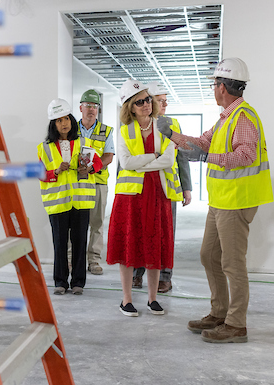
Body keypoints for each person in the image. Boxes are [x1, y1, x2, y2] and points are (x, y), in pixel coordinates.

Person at [158, 58, 273, 343]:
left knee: (233, 263)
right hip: (221, 201)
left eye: (214, 84)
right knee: (209, 256)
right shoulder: (226, 117)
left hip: (236, 201)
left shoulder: (243, 117)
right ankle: (219, 312)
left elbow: (246, 155)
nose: (213, 89)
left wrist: (208, 157)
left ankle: (236, 324)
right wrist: (171, 135)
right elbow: (202, 142)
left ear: (222, 87)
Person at [107, 79, 180, 317]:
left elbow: (169, 160)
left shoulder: (166, 124)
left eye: (148, 99)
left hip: (158, 194)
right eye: (140, 102)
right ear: (130, 106)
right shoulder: (124, 130)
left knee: (155, 244)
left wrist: (142, 162)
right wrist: (153, 156)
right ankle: (126, 299)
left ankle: (152, 299)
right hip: (131, 197)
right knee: (129, 246)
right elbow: (125, 162)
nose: (146, 104)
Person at [38, 98, 102, 295]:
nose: (63, 123)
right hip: (57, 204)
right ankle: (60, 282)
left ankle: (78, 283)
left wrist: (89, 168)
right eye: (58, 120)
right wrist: (55, 172)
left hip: (81, 201)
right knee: (59, 243)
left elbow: (98, 164)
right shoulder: (44, 147)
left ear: (72, 120)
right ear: (53, 124)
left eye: (66, 118)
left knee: (79, 241)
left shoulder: (84, 142)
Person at [133, 82, 192, 293]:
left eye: (166, 100)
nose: (165, 104)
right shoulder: (135, 125)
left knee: (166, 234)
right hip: (140, 187)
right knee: (140, 230)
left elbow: (182, 157)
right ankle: (137, 273)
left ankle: (165, 277)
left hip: (167, 188)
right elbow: (128, 159)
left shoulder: (173, 124)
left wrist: (187, 187)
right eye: (160, 100)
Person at [77, 89, 115, 275]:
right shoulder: (71, 129)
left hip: (98, 182)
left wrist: (94, 168)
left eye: (95, 106)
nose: (91, 110)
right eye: (88, 106)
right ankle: (72, 260)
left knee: (97, 223)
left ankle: (93, 260)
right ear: (80, 108)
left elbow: (109, 156)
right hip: (75, 184)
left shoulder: (105, 131)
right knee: (75, 223)